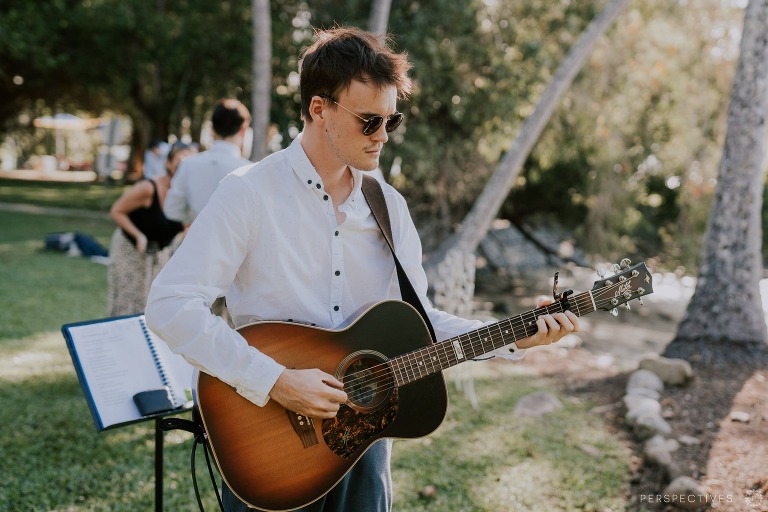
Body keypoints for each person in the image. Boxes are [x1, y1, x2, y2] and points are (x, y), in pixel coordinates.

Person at [145, 27, 578, 512]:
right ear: (318, 109)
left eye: (391, 121)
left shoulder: (389, 208)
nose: (383, 137)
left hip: (366, 450)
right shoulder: (248, 193)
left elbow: (419, 321)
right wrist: (276, 381)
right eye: (369, 121)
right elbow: (170, 304)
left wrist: (515, 337)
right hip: (270, 448)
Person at [108, 142, 196, 316]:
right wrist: (139, 235)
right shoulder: (149, 188)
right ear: (168, 164)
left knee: (154, 306)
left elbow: (187, 226)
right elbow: (116, 211)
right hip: (130, 248)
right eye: (179, 163)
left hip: (159, 252)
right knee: (129, 303)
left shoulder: (190, 196)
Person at [163, 99, 253, 225]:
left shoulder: (188, 164)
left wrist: (197, 221)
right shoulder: (250, 170)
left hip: (197, 239)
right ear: (243, 130)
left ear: (212, 129)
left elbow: (172, 210)